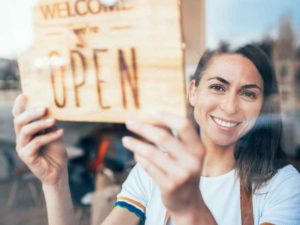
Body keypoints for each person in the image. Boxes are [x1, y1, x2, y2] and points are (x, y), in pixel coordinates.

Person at [12, 44, 300, 225]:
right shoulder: (154, 171)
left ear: (262, 106)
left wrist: (190, 208)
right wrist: (55, 181)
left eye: (248, 94)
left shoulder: (284, 186)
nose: (229, 106)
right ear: (192, 92)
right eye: (217, 87)